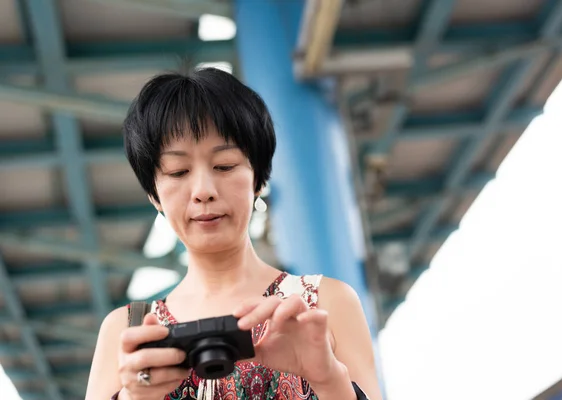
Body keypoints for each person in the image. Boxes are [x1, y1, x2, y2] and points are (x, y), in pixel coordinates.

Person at [85, 68, 381, 400]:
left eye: (224, 166)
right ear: (154, 195)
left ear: (258, 178)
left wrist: (328, 379)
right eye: (178, 172)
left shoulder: (325, 304)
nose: (203, 191)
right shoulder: (127, 330)